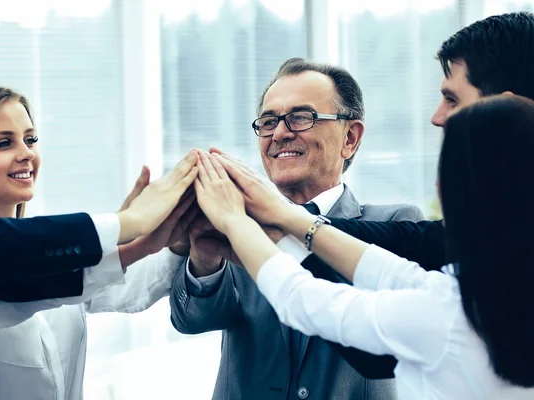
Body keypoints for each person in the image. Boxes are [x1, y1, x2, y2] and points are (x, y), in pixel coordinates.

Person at [199, 10, 534, 383]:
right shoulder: (482, 268)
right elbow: (396, 271)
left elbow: (307, 302)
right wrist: (280, 221)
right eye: (268, 121)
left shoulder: (452, 306)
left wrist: (237, 222)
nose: (437, 117)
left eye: (452, 99)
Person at [170, 59, 424, 399]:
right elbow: (191, 320)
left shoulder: (394, 224)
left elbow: (384, 332)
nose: (279, 133)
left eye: (301, 117)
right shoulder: (236, 220)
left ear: (350, 137)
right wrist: (204, 258)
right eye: (269, 121)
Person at [0, 84, 199, 400]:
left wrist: (178, 236)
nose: (27, 153)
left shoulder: (54, 258)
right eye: (4, 143)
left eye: (30, 139)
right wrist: (128, 228)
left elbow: (123, 283)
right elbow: (8, 291)